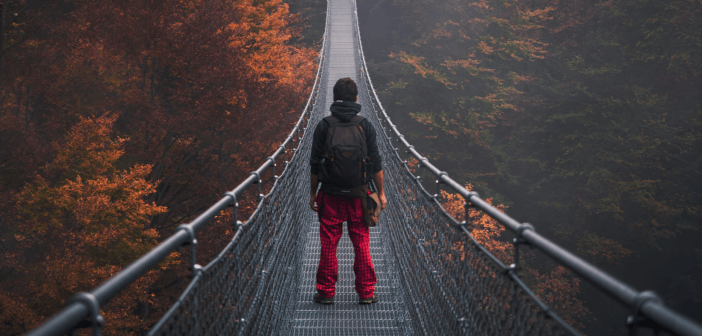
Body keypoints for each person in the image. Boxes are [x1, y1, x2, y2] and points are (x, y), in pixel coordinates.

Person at [309, 77, 387, 304]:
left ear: (334, 98)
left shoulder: (324, 125)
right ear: (356, 98)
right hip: (360, 195)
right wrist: (380, 193)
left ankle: (325, 293)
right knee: (361, 242)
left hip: (330, 194)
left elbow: (315, 164)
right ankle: (366, 293)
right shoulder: (365, 125)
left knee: (328, 243)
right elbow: (376, 164)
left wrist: (313, 193)